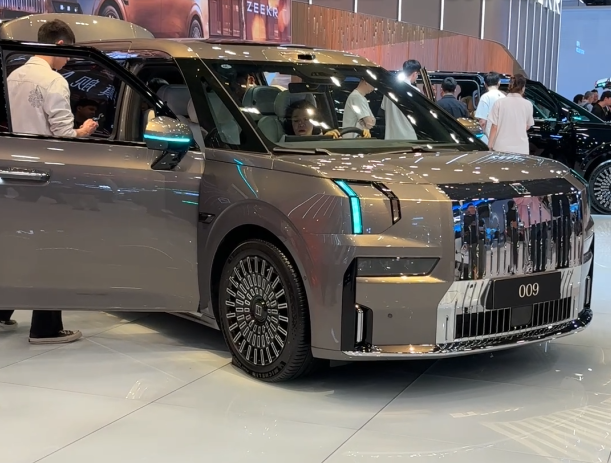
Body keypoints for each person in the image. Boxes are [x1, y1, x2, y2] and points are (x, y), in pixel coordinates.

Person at [0, 19, 98, 343]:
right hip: (47, 178)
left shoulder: (13, 76)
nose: (69, 60)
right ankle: (46, 327)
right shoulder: (54, 81)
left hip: (14, 172)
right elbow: (62, 136)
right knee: (51, 248)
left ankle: (3, 311)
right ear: (59, 45)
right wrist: (84, 131)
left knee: (15, 244)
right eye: (69, 53)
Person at [487, 74, 534, 155]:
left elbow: (494, 126)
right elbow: (527, 126)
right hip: (521, 148)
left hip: (501, 147)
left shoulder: (499, 103)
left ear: (510, 86)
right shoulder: (528, 104)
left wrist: (490, 144)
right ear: (523, 88)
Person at [285, 100, 370, 138]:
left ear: (314, 122)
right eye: (296, 120)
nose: (301, 124)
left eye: (306, 119)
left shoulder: (326, 138)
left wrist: (326, 140)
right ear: (290, 123)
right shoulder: (282, 145)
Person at [381, 59, 421, 140]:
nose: (417, 77)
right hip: (409, 137)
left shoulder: (388, 90)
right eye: (417, 75)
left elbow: (383, 108)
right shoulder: (415, 92)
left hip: (390, 137)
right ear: (415, 73)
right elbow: (418, 115)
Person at [474, 71, 505, 145]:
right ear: (499, 83)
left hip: (489, 138)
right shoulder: (504, 97)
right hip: (503, 138)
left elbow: (482, 122)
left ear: (485, 84)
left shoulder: (485, 97)